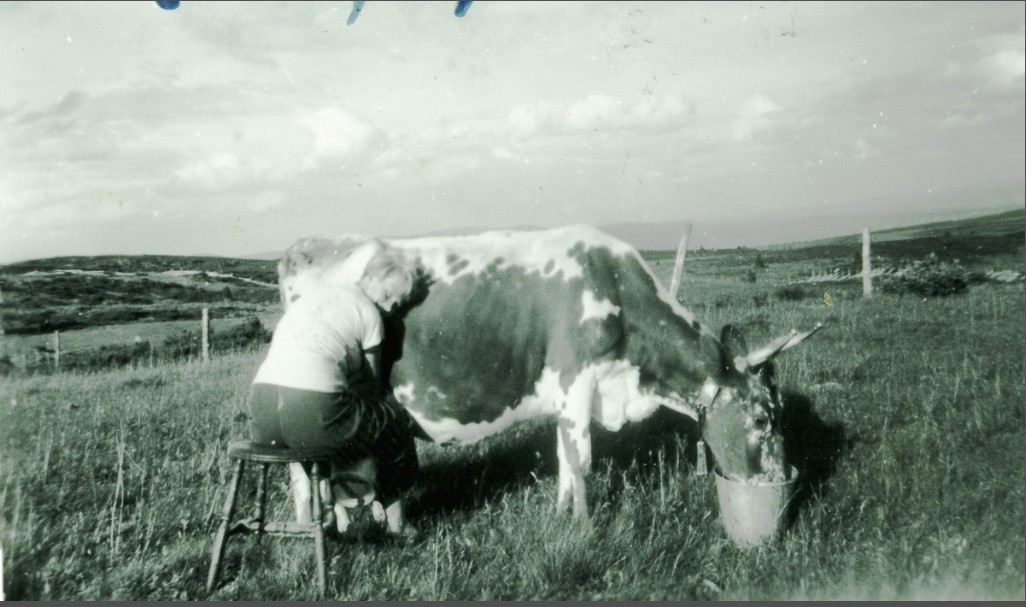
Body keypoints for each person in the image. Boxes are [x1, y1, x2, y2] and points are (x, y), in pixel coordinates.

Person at [247, 243, 419, 533]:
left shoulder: (315, 297)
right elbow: (370, 388)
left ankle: (321, 508)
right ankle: (396, 524)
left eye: (396, 305)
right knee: (393, 421)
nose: (390, 308)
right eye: (388, 296)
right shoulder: (369, 314)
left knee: (323, 430)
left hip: (262, 414)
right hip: (311, 413)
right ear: (371, 278)